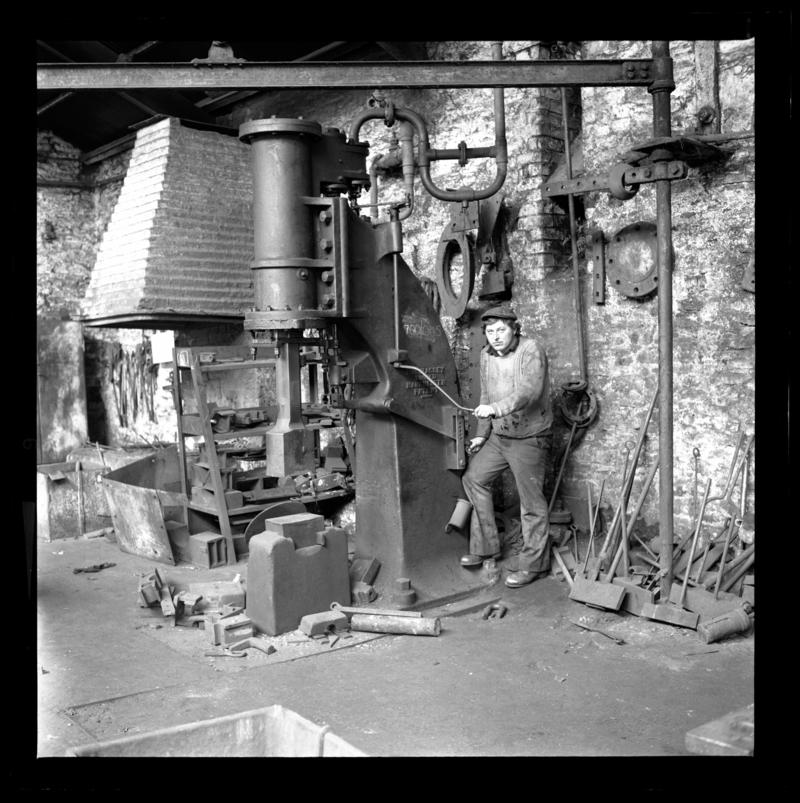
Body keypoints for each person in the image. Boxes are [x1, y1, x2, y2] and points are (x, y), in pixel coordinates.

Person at [460, 305, 553, 588]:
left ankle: (533, 564)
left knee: (531, 504)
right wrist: (481, 434)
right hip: (500, 436)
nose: (495, 336)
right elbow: (486, 395)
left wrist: (495, 410)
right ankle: (487, 547)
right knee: (475, 479)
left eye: (501, 330)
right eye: (490, 331)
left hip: (529, 437)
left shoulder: (530, 350)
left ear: (515, 329)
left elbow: (529, 391)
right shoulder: (486, 355)